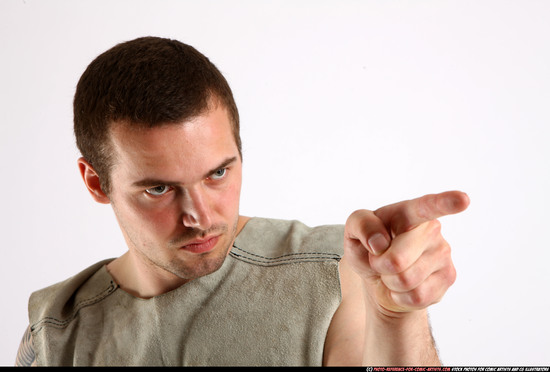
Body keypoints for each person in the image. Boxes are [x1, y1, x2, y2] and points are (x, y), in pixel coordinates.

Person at [15, 36, 469, 366]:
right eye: (159, 188)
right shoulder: (57, 330)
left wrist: (398, 315)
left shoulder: (332, 273)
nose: (201, 217)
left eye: (218, 173)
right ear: (96, 183)